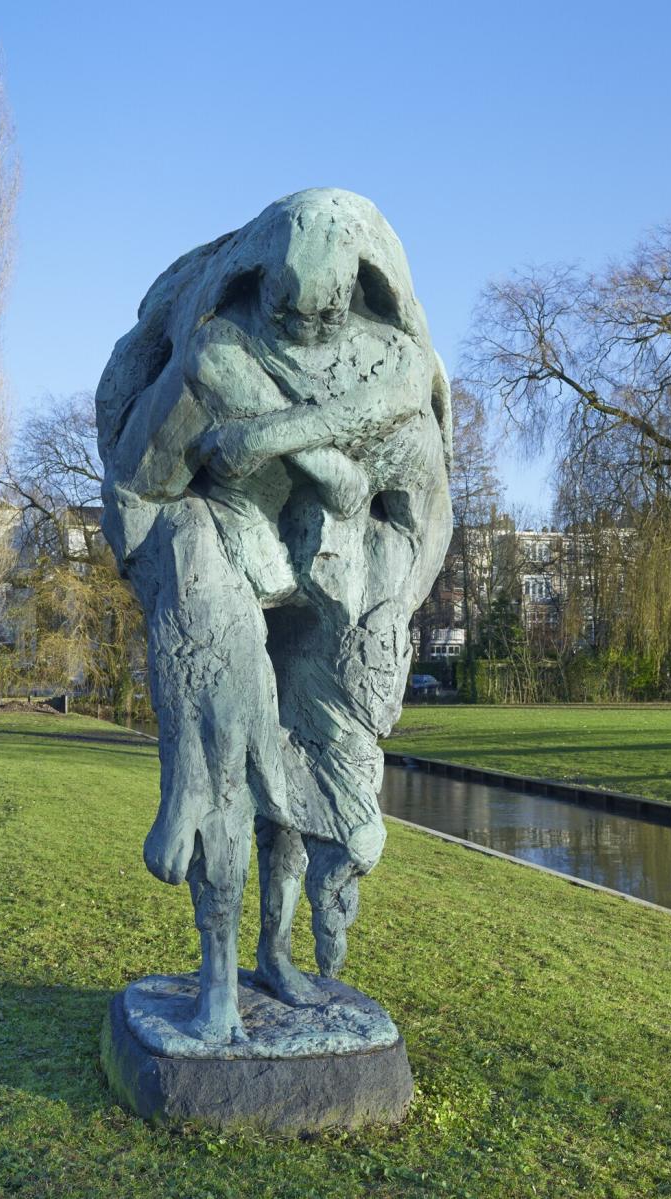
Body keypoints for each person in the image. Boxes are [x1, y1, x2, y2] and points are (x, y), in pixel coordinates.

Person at [96, 189, 452, 1042]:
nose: (311, 332)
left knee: (318, 763)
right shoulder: (218, 358)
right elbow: (137, 492)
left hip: (337, 579)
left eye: (330, 313)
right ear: (258, 286)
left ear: (364, 291)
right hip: (227, 553)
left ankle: (276, 951)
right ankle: (217, 972)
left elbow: (427, 514)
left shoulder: (391, 368)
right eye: (289, 312)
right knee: (226, 732)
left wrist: (383, 583)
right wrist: (178, 569)